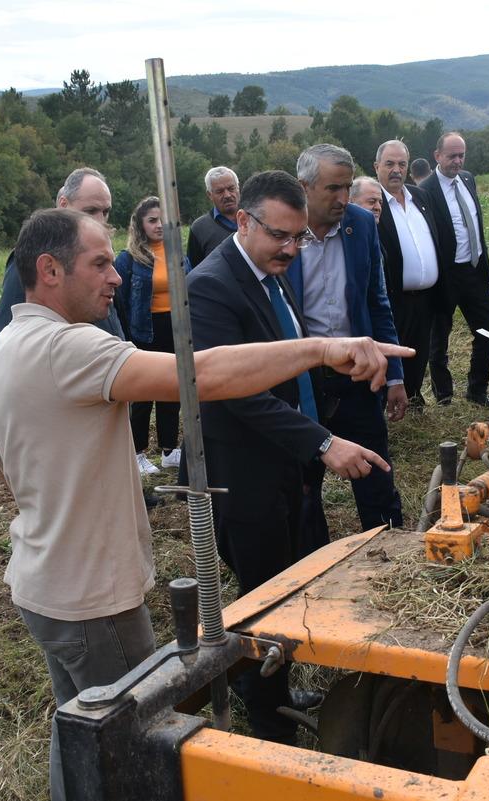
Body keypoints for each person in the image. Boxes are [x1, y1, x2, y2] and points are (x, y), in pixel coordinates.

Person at [0, 207, 407, 798]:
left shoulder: (4, 346)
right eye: (99, 263)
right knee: (130, 743)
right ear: (49, 270)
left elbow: (5, 468)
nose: (117, 275)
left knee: (80, 726)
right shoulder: (66, 348)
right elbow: (204, 375)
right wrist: (323, 349)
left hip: (43, 578)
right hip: (93, 594)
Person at [186, 171, 398, 744]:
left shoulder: (271, 274)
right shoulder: (210, 288)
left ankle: (272, 691)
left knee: (287, 578)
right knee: (262, 595)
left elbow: (289, 357)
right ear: (243, 221)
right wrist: (324, 443)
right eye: (279, 235)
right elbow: (236, 393)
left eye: (298, 237)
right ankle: (267, 720)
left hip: (286, 461)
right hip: (244, 473)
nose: (291, 248)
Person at [287, 144, 406, 534]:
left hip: (358, 373)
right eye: (332, 189)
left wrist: (393, 375)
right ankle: (312, 554)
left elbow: (376, 300)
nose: (343, 198)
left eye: (346, 187)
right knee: (304, 481)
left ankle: (388, 544)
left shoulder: (361, 225)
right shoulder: (283, 229)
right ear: (304, 186)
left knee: (374, 472)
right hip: (302, 377)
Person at [0, 166, 123, 339]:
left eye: (105, 212)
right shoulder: (32, 257)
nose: (100, 220)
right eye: (90, 211)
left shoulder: (103, 255)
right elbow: (8, 334)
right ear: (63, 205)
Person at [421, 132, 489, 407]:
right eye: (452, 156)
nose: (457, 161)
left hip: (474, 272)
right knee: (439, 339)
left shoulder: (467, 179)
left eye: (461, 155)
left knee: (488, 331)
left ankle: (477, 391)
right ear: (437, 156)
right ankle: (443, 395)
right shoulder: (426, 190)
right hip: (446, 276)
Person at [115, 196, 192, 475]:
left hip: (176, 329)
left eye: (163, 220)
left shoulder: (178, 255)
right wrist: (126, 337)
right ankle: (136, 454)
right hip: (144, 332)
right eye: (152, 220)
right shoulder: (128, 259)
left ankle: (170, 451)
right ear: (140, 225)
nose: (159, 225)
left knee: (172, 389)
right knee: (143, 394)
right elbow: (119, 301)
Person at [374, 139, 444, 404]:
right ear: (377, 166)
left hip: (426, 297)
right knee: (393, 350)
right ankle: (389, 399)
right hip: (395, 297)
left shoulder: (420, 197)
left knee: (419, 351)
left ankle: (414, 398)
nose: (396, 170)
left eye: (402, 164)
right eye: (389, 164)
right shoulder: (374, 202)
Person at [186, 166, 240, 266]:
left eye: (231, 189)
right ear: (209, 195)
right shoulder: (199, 228)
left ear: (238, 188)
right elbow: (193, 270)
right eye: (220, 191)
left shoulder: (254, 218)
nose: (227, 195)